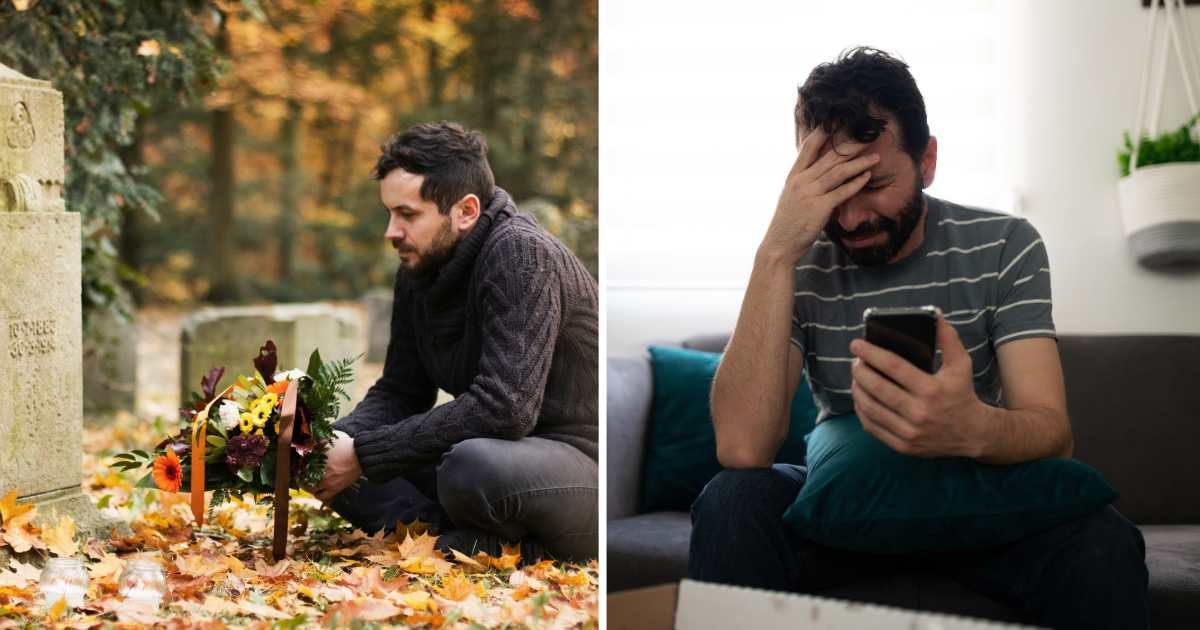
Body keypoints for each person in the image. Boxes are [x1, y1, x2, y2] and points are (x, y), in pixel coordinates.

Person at [687, 47, 1148, 628]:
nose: (851, 219)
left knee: (1103, 540)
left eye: (873, 184)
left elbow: (1052, 432)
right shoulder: (798, 259)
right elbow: (743, 448)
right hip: (840, 509)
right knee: (732, 502)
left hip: (984, 508)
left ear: (927, 161)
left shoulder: (1006, 244)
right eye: (832, 190)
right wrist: (775, 250)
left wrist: (972, 426)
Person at [310, 121, 598, 562]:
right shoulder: (419, 266)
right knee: (326, 457)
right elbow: (401, 391)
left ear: (465, 211)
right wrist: (332, 443)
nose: (392, 231)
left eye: (408, 215)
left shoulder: (521, 255)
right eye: (389, 213)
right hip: (498, 454)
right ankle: (446, 537)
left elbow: (506, 408)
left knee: (470, 466)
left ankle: (506, 544)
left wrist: (364, 454)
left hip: (577, 467)